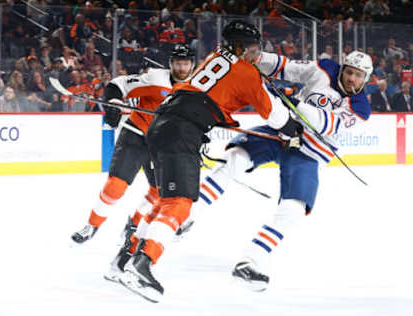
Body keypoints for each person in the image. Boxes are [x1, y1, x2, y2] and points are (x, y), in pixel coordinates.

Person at [115, 20, 303, 303]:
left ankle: (122, 261)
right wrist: (293, 129)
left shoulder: (215, 57)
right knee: (179, 203)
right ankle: (142, 265)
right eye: (252, 49)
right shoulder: (248, 73)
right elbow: (275, 117)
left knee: (164, 199)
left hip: (162, 124)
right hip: (182, 131)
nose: (256, 55)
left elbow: (215, 94)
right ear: (239, 47)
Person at [183, 49, 373, 292]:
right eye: (349, 72)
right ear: (342, 68)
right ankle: (186, 214)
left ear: (366, 78)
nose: (351, 79)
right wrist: (258, 57)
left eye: (358, 76)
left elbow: (326, 124)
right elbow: (286, 67)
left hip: (309, 153)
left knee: (293, 209)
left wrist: (294, 102)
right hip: (283, 132)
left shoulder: (360, 107)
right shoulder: (325, 69)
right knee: (235, 158)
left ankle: (251, 259)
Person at [70, 44, 196, 245]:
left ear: (192, 65)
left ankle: (134, 226)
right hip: (136, 135)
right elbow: (117, 85)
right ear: (171, 64)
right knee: (116, 185)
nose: (182, 68)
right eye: (178, 63)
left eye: (186, 64)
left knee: (160, 192)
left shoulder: (196, 88)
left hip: (162, 145)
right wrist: (114, 102)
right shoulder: (155, 79)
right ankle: (91, 226)